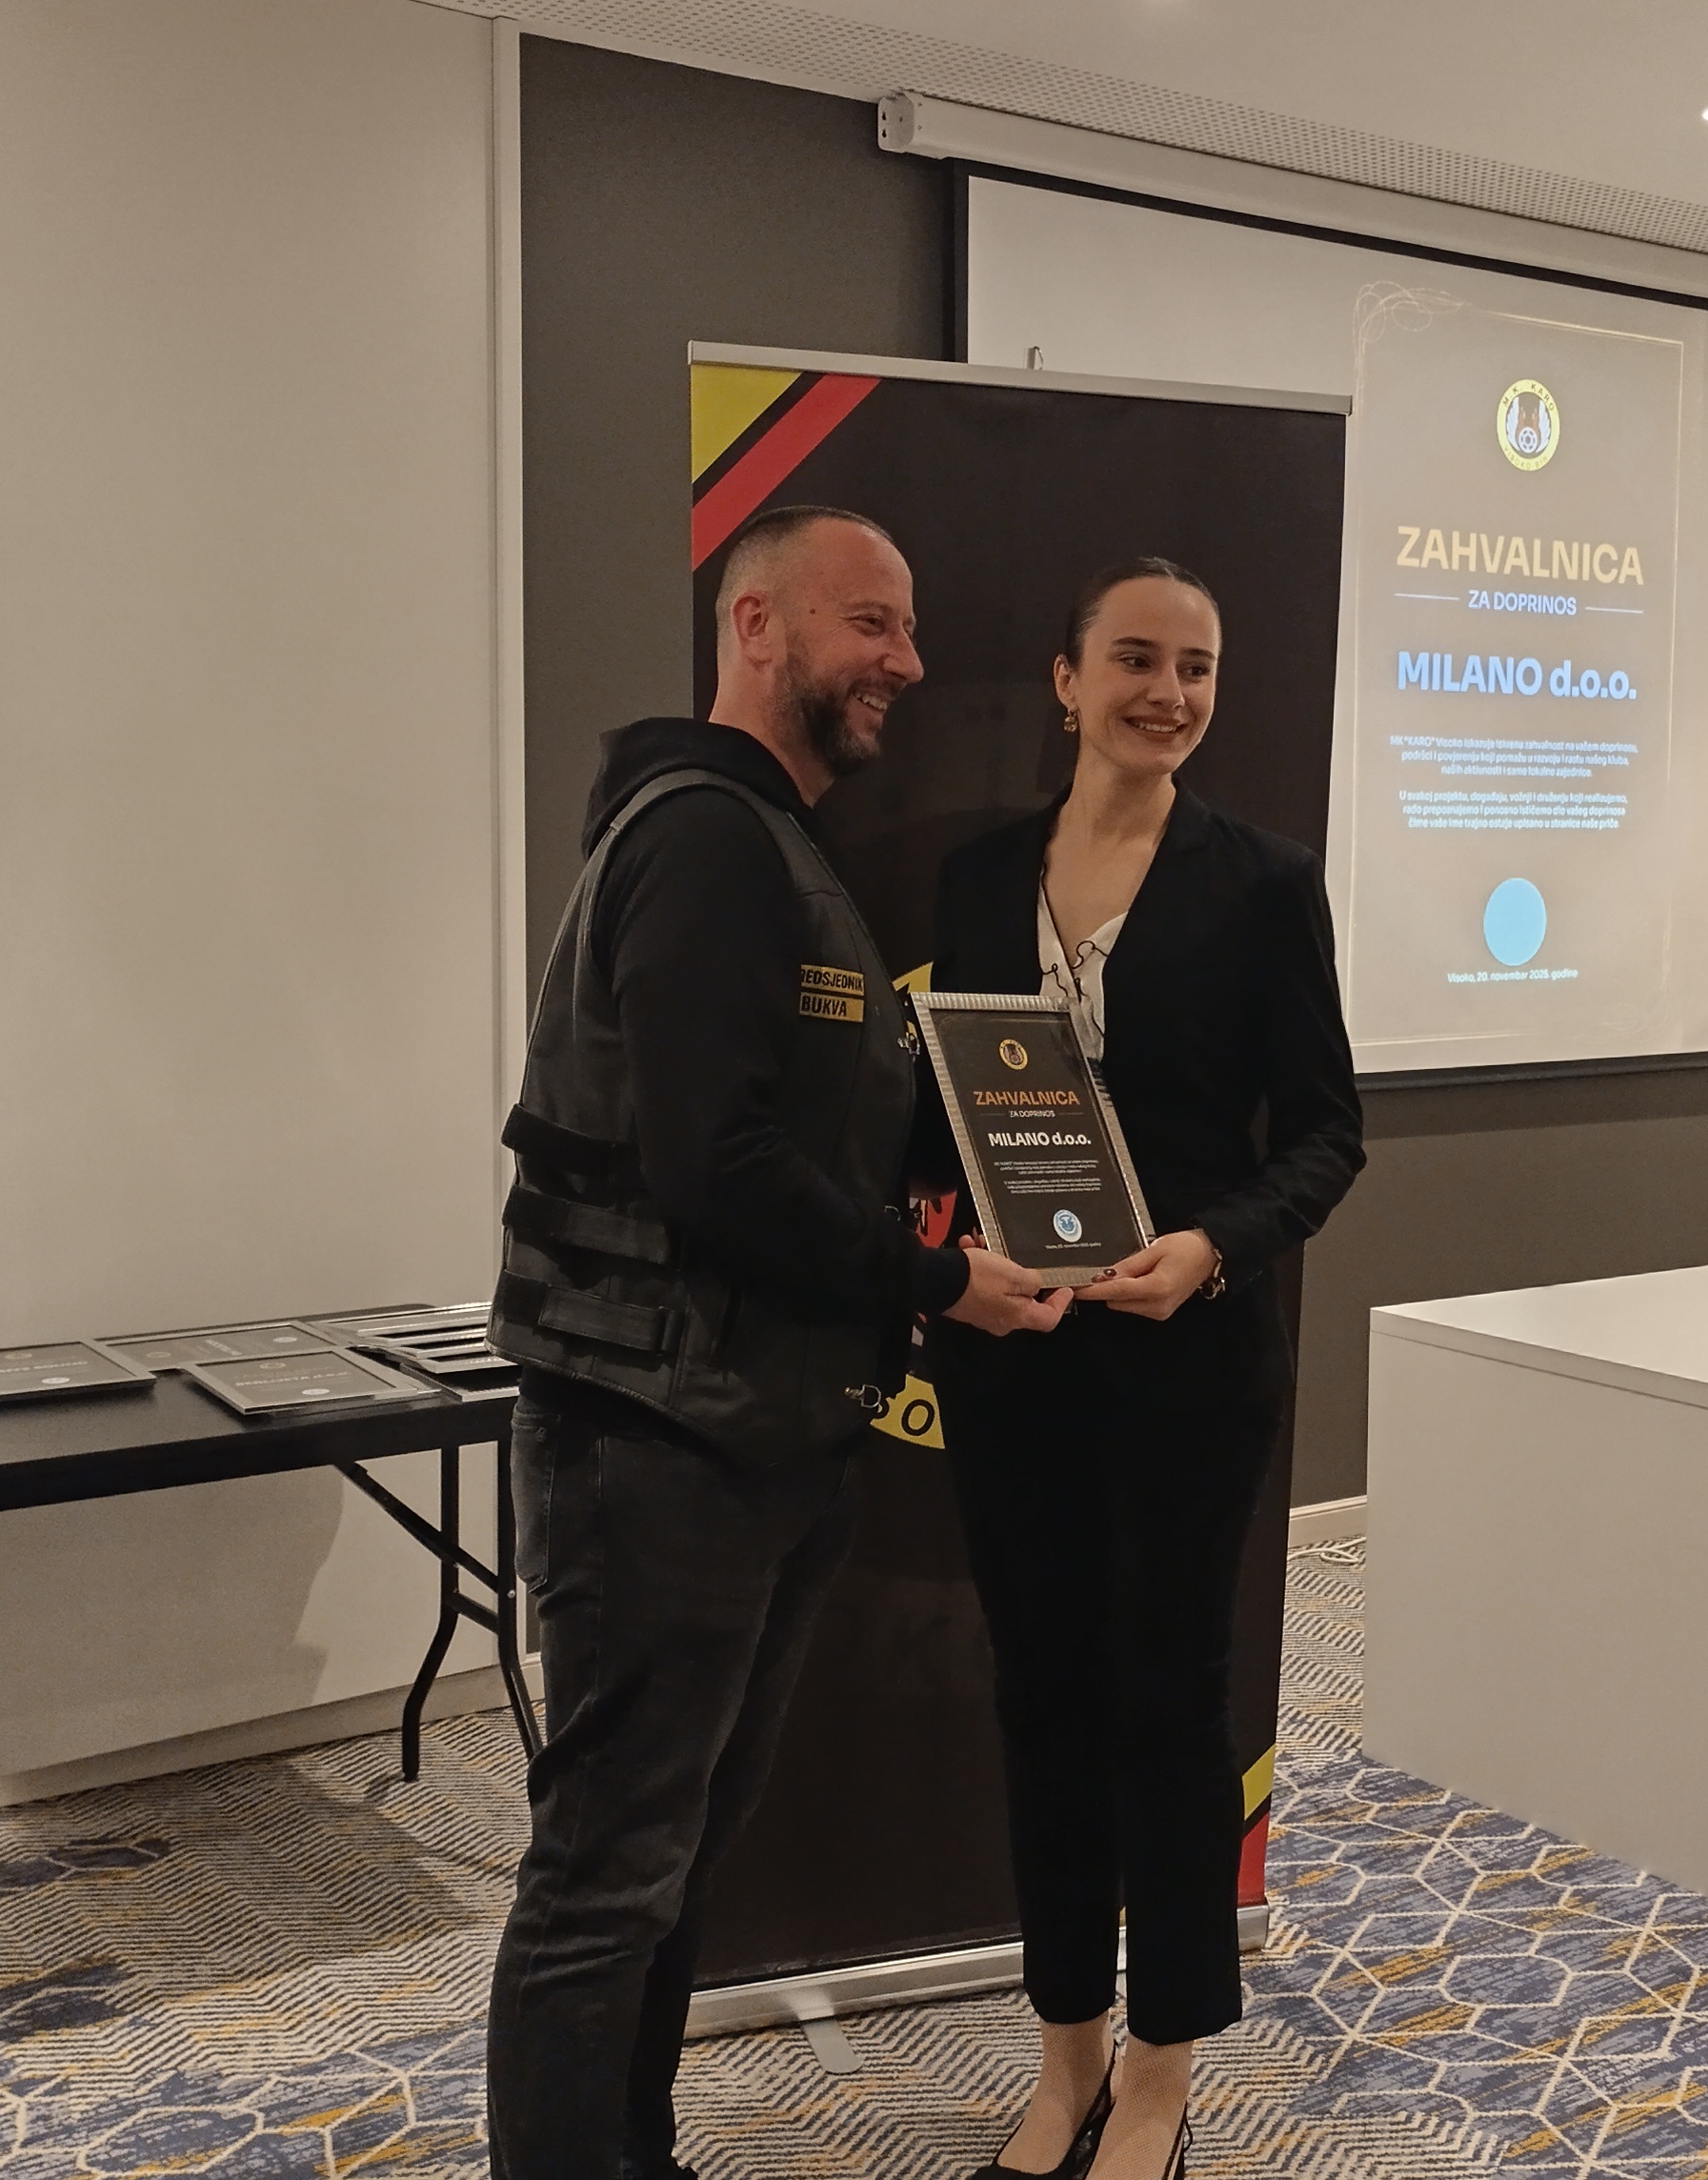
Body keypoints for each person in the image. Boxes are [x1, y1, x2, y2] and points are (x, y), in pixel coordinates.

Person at [482, 505, 1072, 2180]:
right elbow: (712, 1163)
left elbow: (803, 1127)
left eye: (909, 626)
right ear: (756, 627)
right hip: (656, 1439)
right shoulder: (706, 843)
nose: (908, 660)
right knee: (607, 1873)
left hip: (750, 1426)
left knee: (666, 1861)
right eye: (869, 621)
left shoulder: (774, 850)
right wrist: (938, 1280)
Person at [917, 560, 1365, 2180]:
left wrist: (1211, 1246)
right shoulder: (976, 879)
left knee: (1171, 1709)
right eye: (1134, 660)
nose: (1167, 693)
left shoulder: (1263, 883)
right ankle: (1066, 2058)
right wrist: (946, 1272)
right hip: (1014, 1362)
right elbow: (939, 1117)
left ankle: (1163, 2069)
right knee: (1042, 1700)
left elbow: (1325, 1134)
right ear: (1065, 679)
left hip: (1189, 1365)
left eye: (1197, 668)